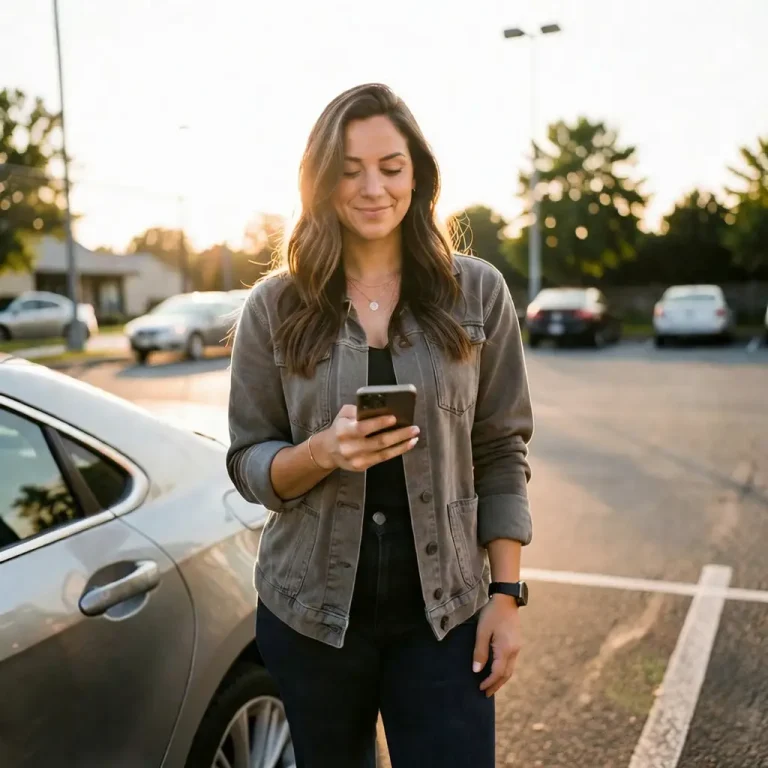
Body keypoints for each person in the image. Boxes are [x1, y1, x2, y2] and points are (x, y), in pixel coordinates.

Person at [227, 82, 534, 768]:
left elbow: (502, 449)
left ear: (417, 174)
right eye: (349, 169)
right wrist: (322, 451)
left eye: (391, 168)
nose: (372, 188)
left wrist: (506, 597)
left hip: (445, 614)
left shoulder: (477, 291)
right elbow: (248, 461)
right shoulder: (273, 306)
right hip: (309, 615)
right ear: (320, 181)